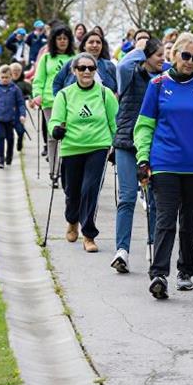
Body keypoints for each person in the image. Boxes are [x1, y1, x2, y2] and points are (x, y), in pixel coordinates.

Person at [134, 37, 193, 300]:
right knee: (165, 218)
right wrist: (143, 159)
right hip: (165, 162)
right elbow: (144, 126)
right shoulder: (158, 85)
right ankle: (159, 274)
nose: (190, 62)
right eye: (186, 56)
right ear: (174, 55)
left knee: (189, 222)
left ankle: (186, 270)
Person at [49, 52, 118, 253]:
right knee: (71, 191)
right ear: (74, 71)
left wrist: (117, 146)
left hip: (98, 146)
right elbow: (54, 120)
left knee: (90, 190)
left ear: (96, 71)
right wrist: (55, 129)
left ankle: (88, 234)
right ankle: (72, 221)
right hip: (72, 148)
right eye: (82, 68)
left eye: (91, 68)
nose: (86, 71)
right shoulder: (64, 94)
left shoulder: (105, 94)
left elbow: (115, 122)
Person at [109, 38, 165, 274]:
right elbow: (121, 65)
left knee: (153, 198)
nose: (164, 58)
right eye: (159, 54)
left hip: (154, 145)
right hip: (126, 142)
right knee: (127, 197)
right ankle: (122, 251)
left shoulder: (164, 79)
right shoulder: (130, 74)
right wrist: (140, 49)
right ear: (146, 57)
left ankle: (152, 245)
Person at [32, 26, 76, 166]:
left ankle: (66, 168)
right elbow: (39, 79)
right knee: (53, 135)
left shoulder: (74, 58)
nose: (62, 41)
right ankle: (54, 170)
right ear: (54, 40)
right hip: (50, 101)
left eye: (65, 38)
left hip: (71, 101)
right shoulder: (46, 58)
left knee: (68, 135)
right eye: (59, 38)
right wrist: (37, 94)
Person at [53, 29, 118, 94]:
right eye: (91, 42)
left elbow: (118, 87)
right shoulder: (71, 63)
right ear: (84, 46)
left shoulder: (109, 66)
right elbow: (57, 83)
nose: (95, 45)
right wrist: (61, 101)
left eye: (98, 42)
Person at [9, 62, 32, 151]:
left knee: (20, 130)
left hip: (19, 111)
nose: (16, 72)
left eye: (18, 70)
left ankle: (20, 141)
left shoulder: (25, 84)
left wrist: (30, 100)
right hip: (7, 111)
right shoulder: (6, 82)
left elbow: (31, 94)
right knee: (9, 133)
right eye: (14, 70)